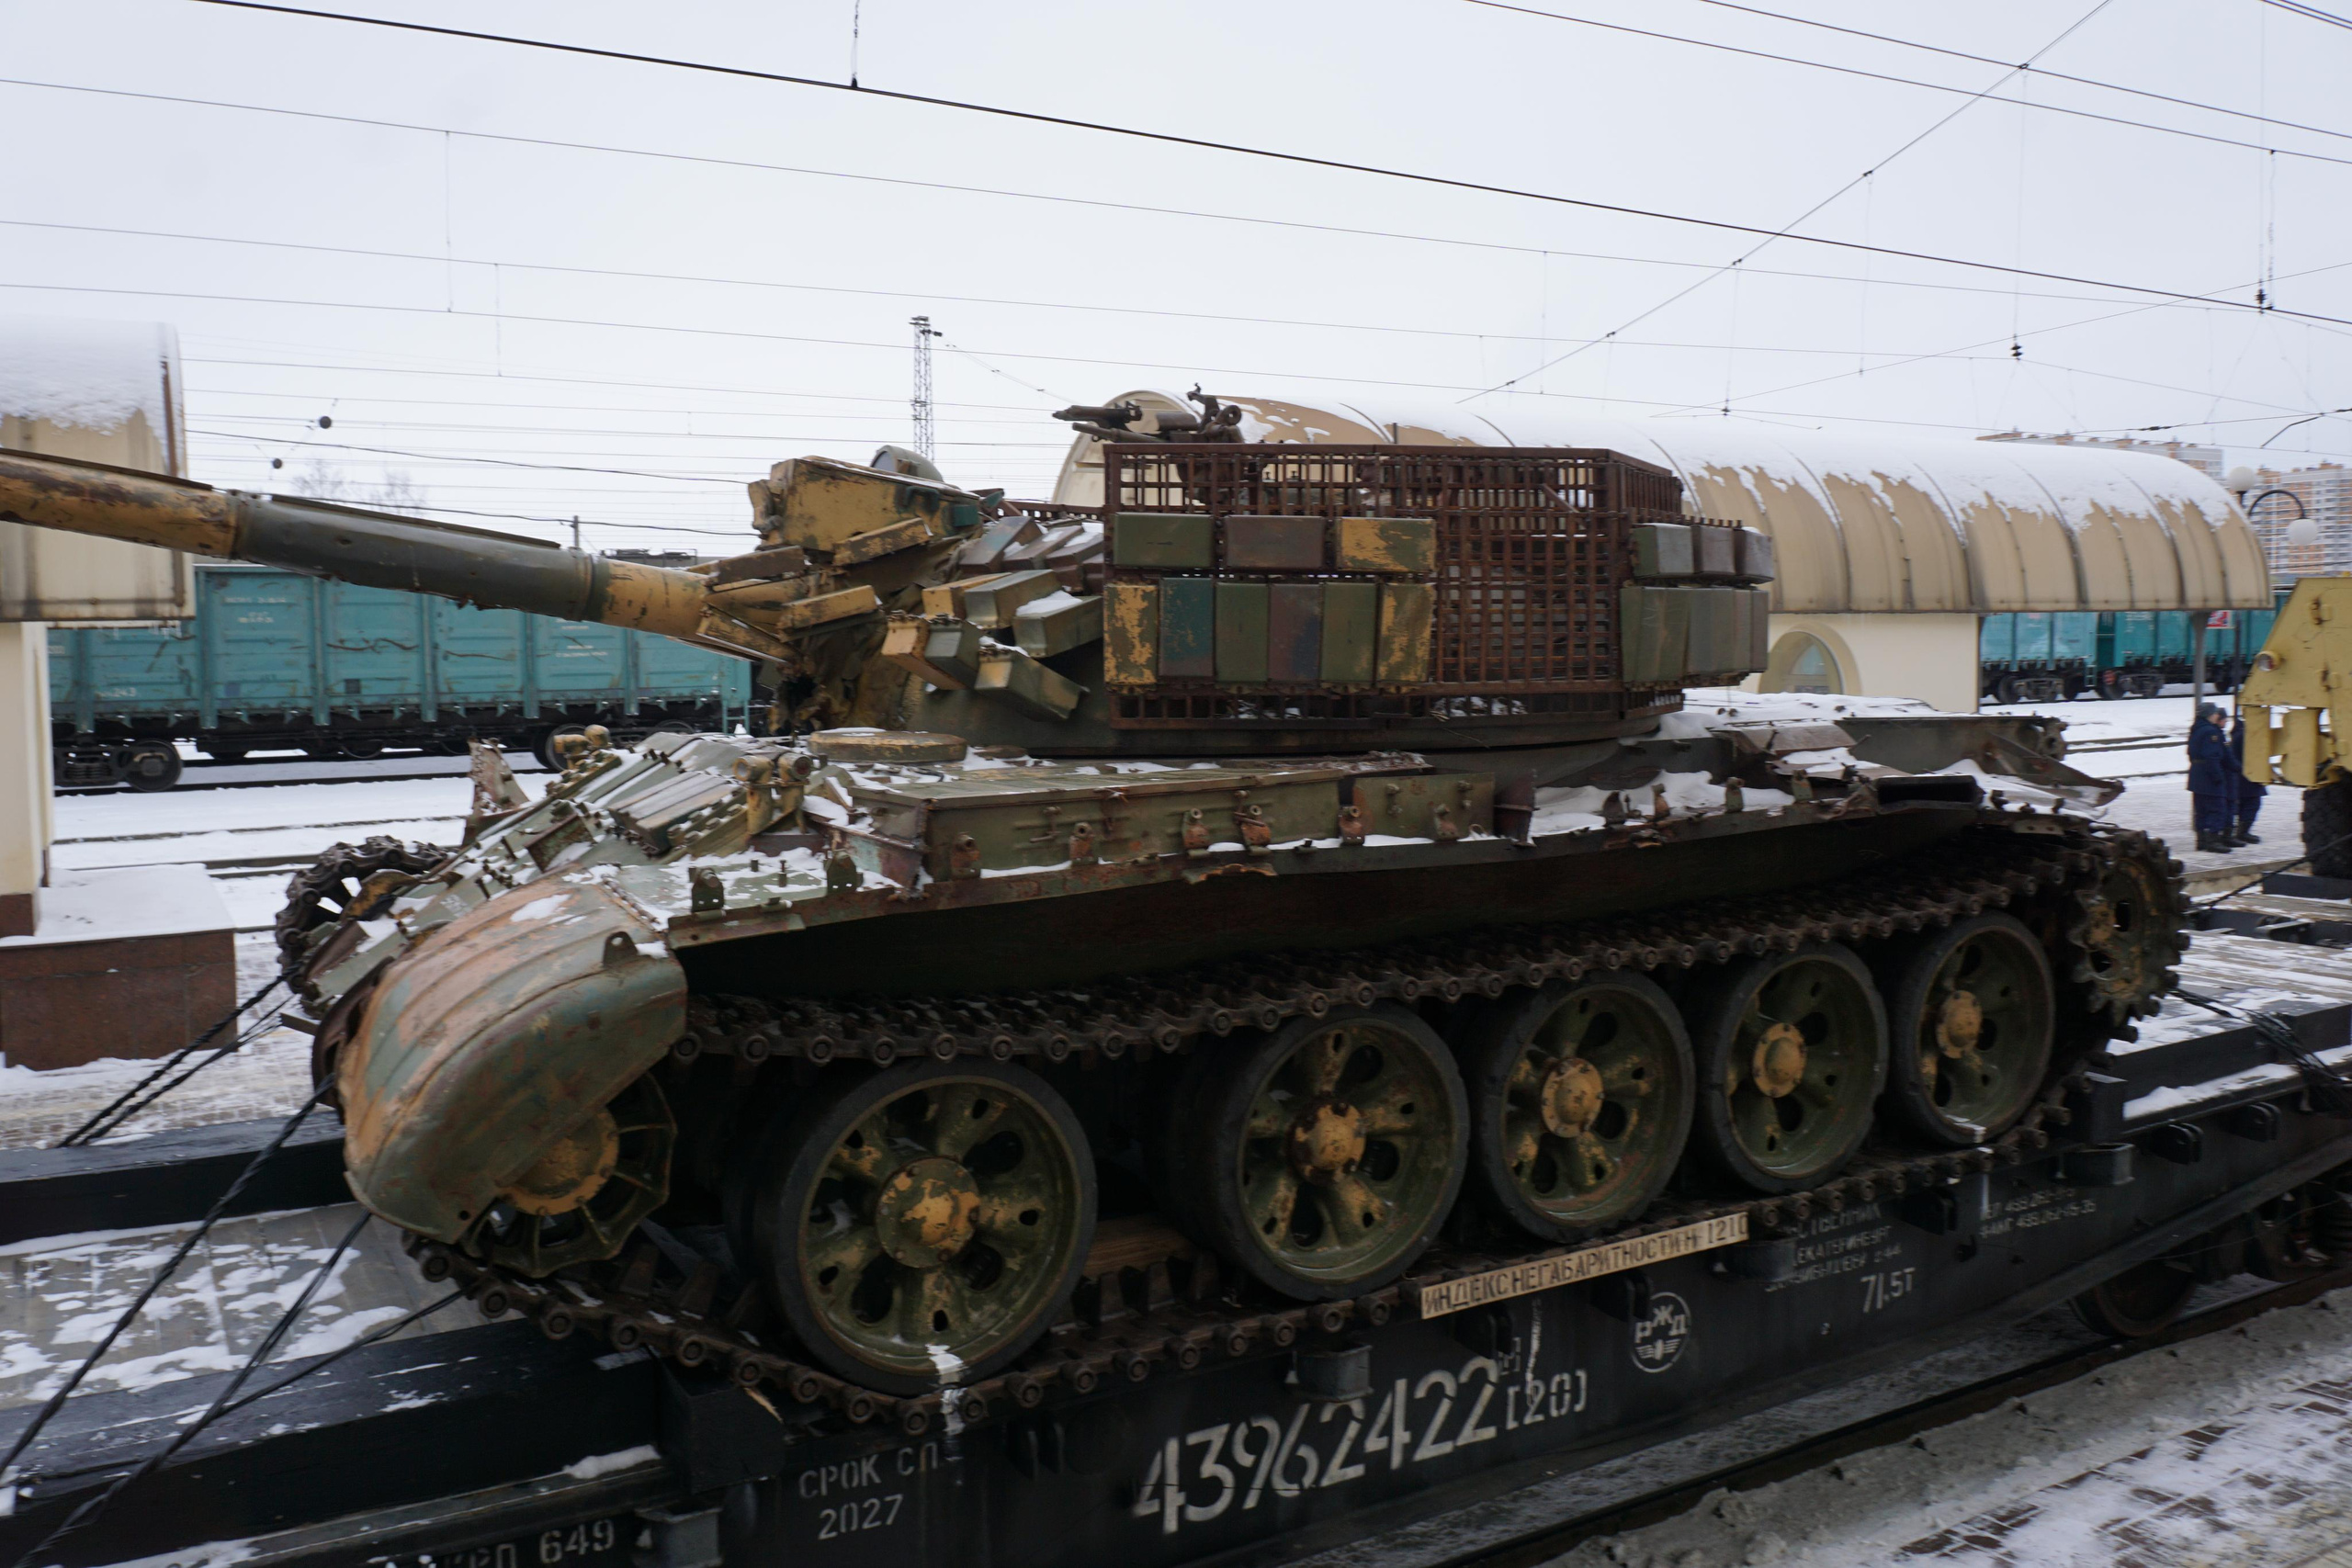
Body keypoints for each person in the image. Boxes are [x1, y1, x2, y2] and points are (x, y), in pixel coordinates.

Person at [2187, 704, 2236, 853]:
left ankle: (2201, 840)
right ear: (2210, 715)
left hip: (2196, 775)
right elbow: (2212, 757)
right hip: (2208, 776)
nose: (2217, 715)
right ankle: (2213, 841)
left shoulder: (2196, 729)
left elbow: (2190, 752)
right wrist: (2218, 776)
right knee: (2217, 808)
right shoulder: (2210, 732)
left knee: (2201, 809)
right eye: (2215, 713)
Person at [2228, 712, 2266, 847]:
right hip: (2248, 776)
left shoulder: (2240, 733)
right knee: (2252, 804)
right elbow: (2254, 755)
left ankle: (2240, 832)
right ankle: (2242, 832)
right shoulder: (2246, 735)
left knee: (2243, 804)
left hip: (2243, 776)